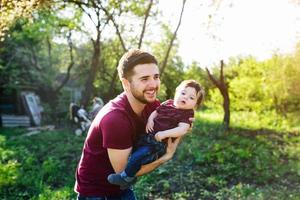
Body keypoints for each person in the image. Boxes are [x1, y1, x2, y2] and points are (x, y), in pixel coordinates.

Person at [74, 49, 188, 200]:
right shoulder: (115, 118)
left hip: (121, 188)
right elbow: (123, 172)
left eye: (156, 77)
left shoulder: (152, 105)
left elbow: (171, 127)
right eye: (144, 79)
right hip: (97, 192)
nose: (153, 84)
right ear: (126, 84)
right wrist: (165, 157)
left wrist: (184, 120)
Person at [107, 80, 204, 189]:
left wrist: (164, 133)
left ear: (195, 105)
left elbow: (182, 129)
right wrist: (150, 120)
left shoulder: (186, 114)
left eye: (191, 98)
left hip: (158, 144)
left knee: (138, 156)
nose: (185, 97)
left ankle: (125, 177)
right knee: (134, 153)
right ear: (176, 92)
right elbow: (156, 112)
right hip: (147, 137)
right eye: (183, 93)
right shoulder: (168, 103)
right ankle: (129, 170)